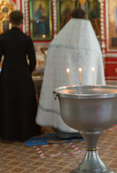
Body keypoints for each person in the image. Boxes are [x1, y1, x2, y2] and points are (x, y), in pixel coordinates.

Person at [36, 8, 105, 139]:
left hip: (65, 80)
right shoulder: (91, 38)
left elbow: (52, 53)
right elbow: (97, 62)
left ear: (71, 17)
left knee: (66, 100)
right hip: (86, 81)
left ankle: (64, 128)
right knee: (85, 101)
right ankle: (86, 127)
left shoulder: (63, 36)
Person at [0, 10, 41, 142]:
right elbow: (33, 61)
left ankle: (7, 132)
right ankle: (26, 131)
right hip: (23, 74)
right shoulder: (26, 39)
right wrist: (27, 71)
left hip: (7, 74)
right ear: (22, 22)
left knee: (8, 103)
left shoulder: (2, 38)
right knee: (23, 103)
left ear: (10, 21)